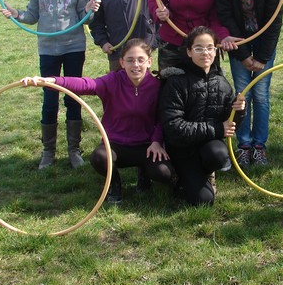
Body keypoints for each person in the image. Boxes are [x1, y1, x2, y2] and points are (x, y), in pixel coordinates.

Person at [21, 39, 174, 204]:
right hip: (115, 145)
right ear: (122, 63)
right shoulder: (113, 81)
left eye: (140, 60)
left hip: (146, 146)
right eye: (130, 60)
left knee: (164, 173)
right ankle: (114, 184)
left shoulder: (157, 86)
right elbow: (87, 84)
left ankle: (144, 173)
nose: (135, 65)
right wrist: (52, 81)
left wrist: (156, 141)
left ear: (149, 62)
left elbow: (161, 119)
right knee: (99, 158)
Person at [0, 0, 100, 170]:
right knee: (49, 98)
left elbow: (85, 18)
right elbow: (33, 14)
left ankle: (74, 150)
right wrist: (17, 14)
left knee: (73, 96)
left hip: (74, 46)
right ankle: (48, 152)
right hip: (47, 48)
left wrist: (88, 11)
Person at [214, 0, 283, 167]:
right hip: (238, 40)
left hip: (263, 40)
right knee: (242, 94)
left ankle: (259, 146)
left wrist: (262, 57)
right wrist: (243, 55)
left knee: (261, 95)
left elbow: (275, 19)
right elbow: (225, 16)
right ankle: (244, 144)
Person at [158, 26, 245, 206]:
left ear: (215, 51)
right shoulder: (175, 82)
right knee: (203, 201)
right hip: (182, 149)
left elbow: (229, 124)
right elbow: (174, 127)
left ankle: (206, 172)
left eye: (210, 48)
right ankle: (179, 175)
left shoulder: (221, 82)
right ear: (189, 52)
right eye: (198, 48)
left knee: (219, 155)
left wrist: (238, 110)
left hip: (207, 145)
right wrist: (217, 129)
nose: (205, 53)